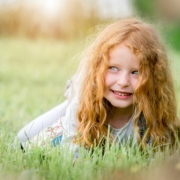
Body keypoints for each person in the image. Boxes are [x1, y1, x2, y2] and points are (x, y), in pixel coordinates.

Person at [17, 18, 180, 151]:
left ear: (155, 78)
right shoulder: (83, 106)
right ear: (98, 70)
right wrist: (78, 98)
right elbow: (73, 156)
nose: (123, 82)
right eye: (113, 68)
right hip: (68, 121)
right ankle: (74, 92)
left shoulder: (154, 114)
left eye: (135, 72)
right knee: (22, 143)